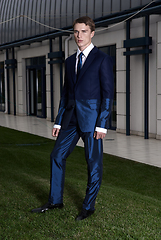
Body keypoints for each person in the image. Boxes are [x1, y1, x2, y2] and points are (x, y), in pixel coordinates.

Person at [32, 16, 114, 221]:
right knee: (56, 156)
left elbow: (108, 94)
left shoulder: (102, 59)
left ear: (92, 33)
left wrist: (102, 124)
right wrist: (59, 120)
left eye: (84, 31)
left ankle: (88, 207)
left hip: (92, 120)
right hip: (70, 119)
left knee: (93, 163)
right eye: (76, 32)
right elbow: (66, 93)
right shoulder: (70, 61)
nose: (79, 36)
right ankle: (55, 200)